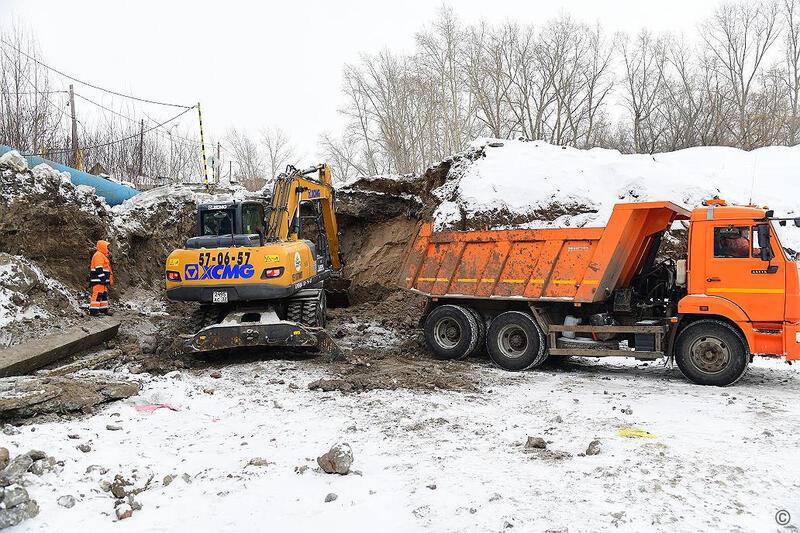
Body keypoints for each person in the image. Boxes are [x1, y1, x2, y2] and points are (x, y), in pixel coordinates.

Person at [89, 240, 113, 316]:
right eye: (107, 247)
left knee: (103, 295)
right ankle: (94, 311)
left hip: (102, 280)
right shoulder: (98, 255)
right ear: (103, 247)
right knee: (98, 294)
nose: (108, 249)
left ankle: (103, 309)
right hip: (99, 280)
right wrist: (103, 278)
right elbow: (98, 268)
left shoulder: (102, 255)